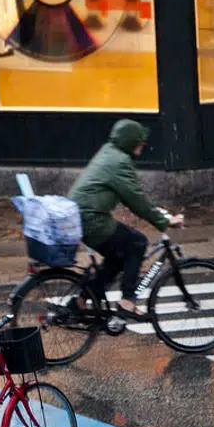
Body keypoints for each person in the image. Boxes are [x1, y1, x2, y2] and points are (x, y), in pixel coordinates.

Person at [68, 119, 184, 319]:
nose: (143, 144)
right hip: (91, 219)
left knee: (117, 257)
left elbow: (133, 196)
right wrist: (164, 221)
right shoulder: (119, 162)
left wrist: (157, 213)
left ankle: (81, 301)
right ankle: (127, 301)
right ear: (130, 141)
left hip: (81, 217)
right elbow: (136, 199)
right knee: (137, 242)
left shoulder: (109, 151)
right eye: (140, 140)